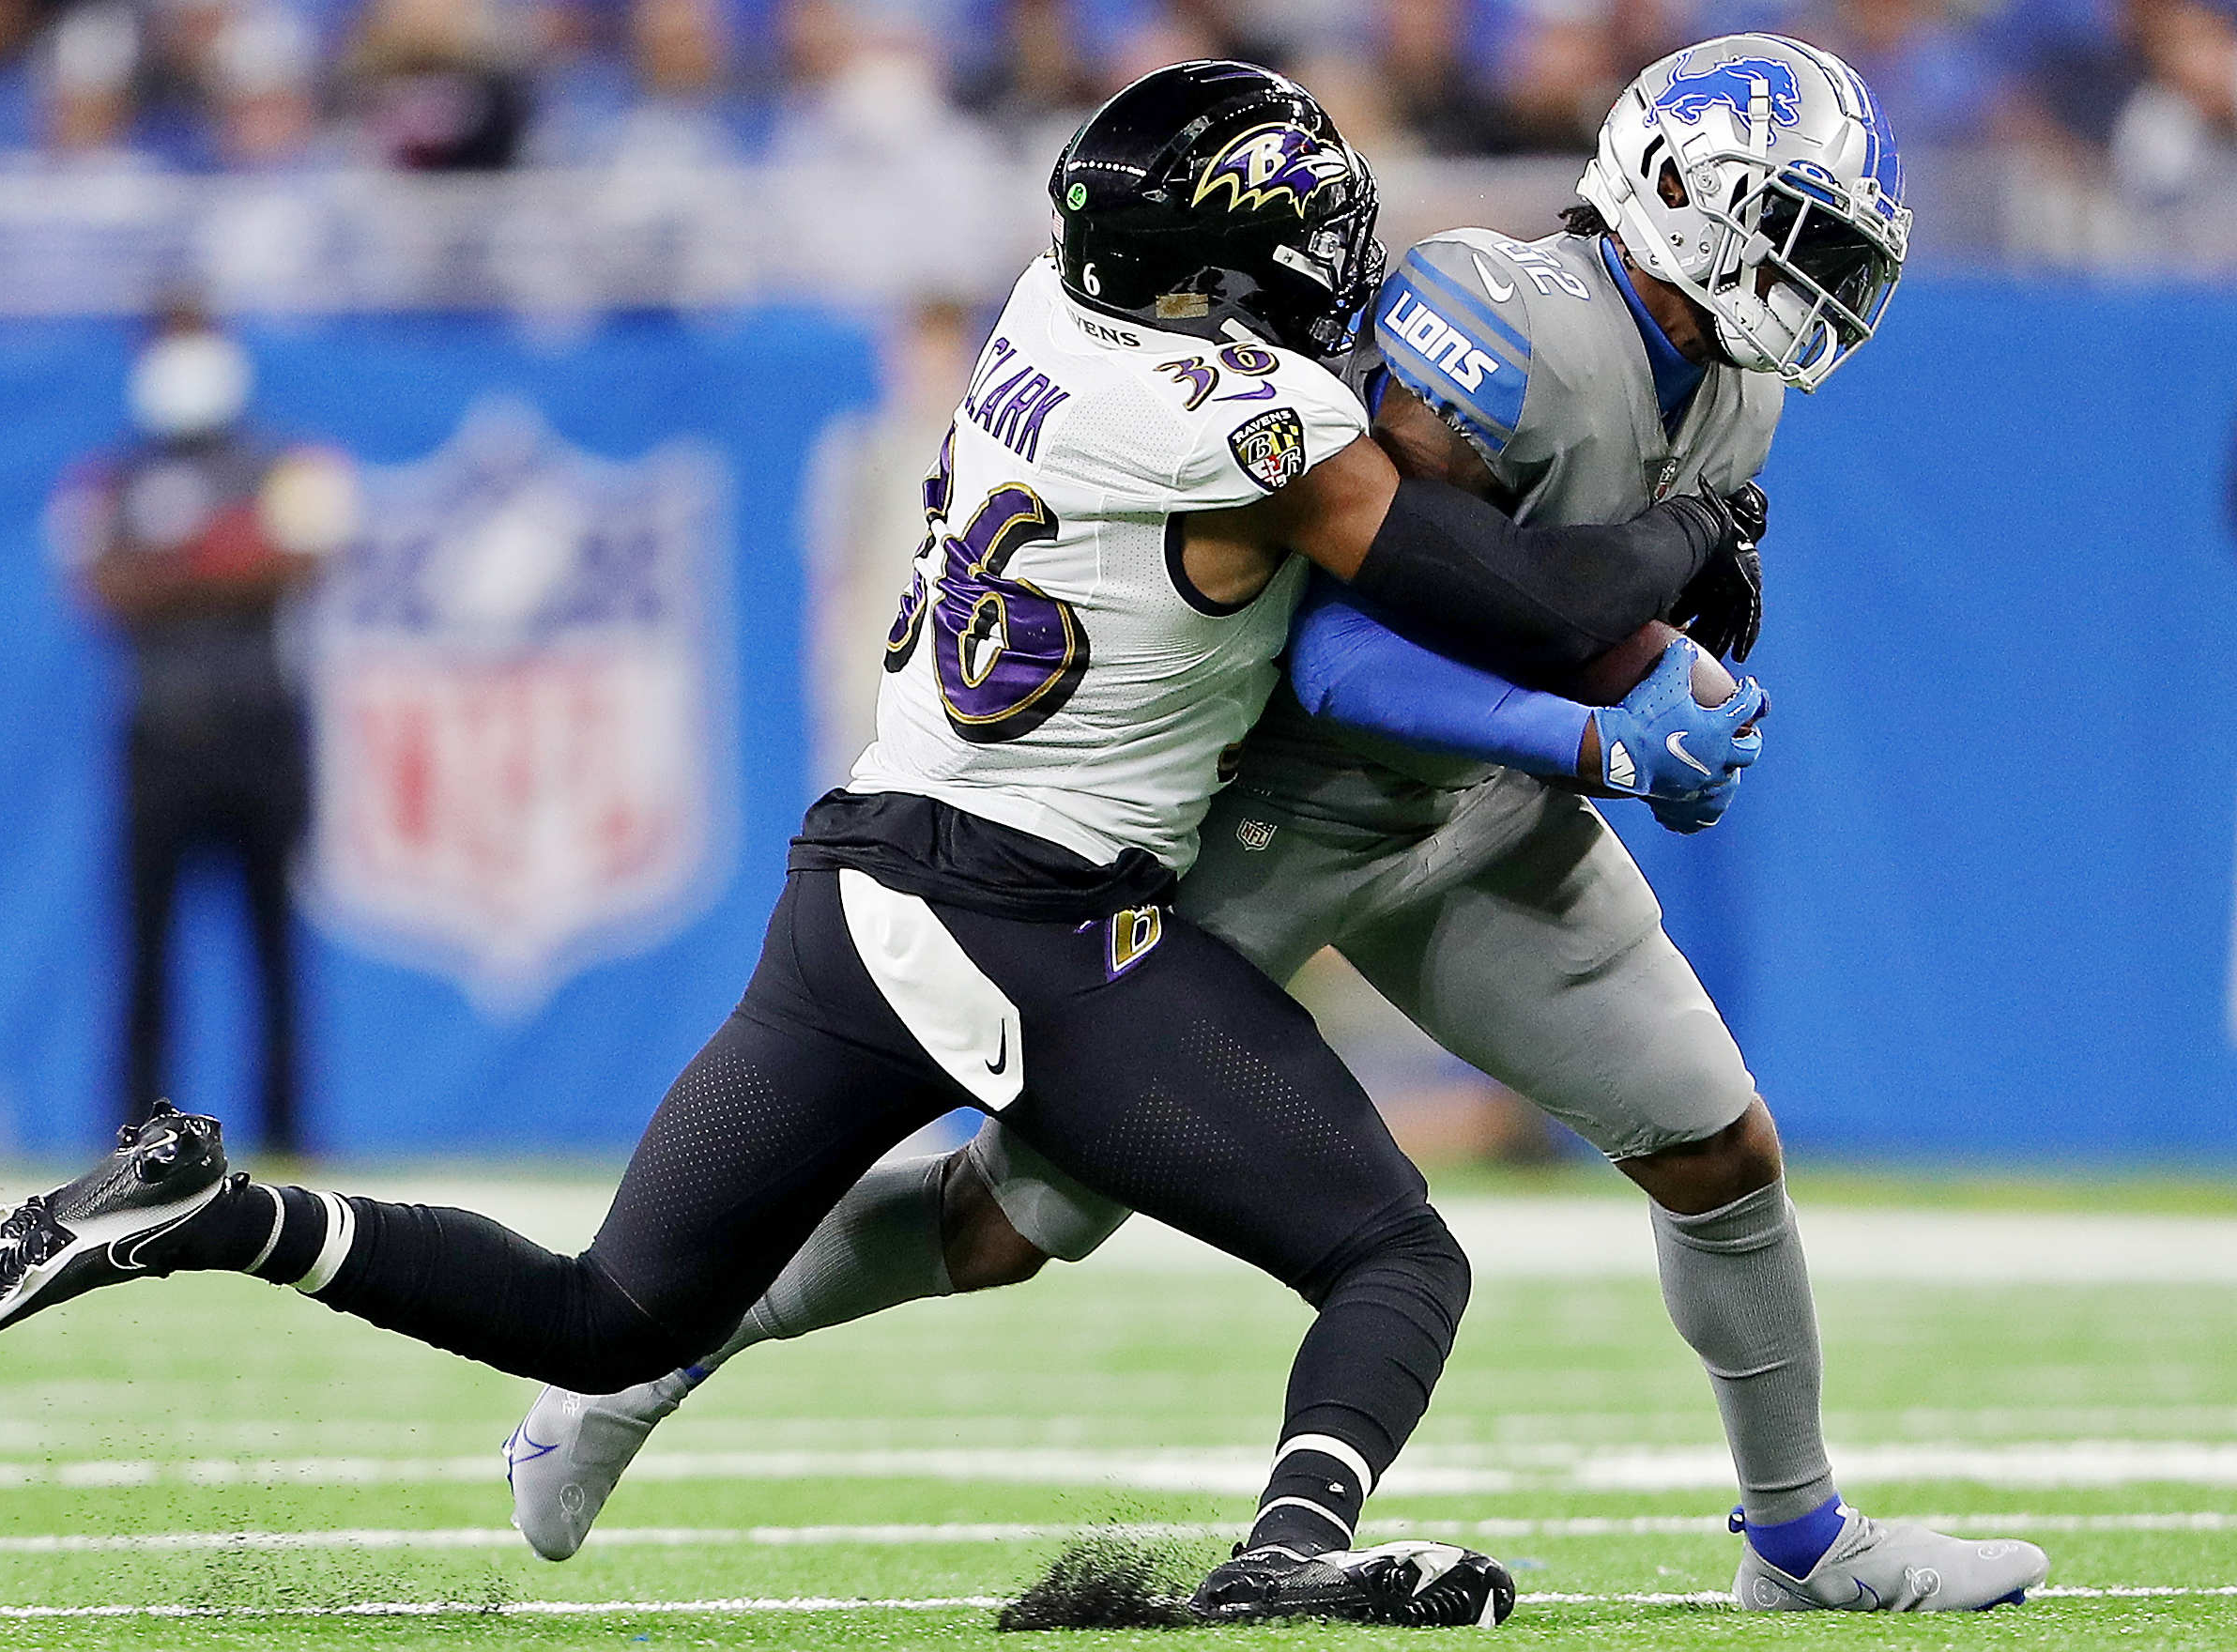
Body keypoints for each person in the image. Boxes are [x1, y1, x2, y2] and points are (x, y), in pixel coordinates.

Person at [0, 61, 1753, 1626]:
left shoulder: (1049, 308)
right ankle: (1291, 1549)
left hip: (858, 879)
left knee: (608, 1314)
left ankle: (221, 1214)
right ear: (1218, 285)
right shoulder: (1241, 423)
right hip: (1039, 921)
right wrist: (1688, 529)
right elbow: (1504, 592)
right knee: (1395, 1257)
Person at [502, 37, 2053, 1616]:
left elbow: (1601, 602)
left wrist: (1679, 678)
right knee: (1009, 1221)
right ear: (1675, 192)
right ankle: (657, 1356)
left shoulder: (1733, 383)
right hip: (1279, 810)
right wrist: (1594, 730)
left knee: (1717, 1147)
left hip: (1478, 812)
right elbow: (1344, 640)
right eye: (1794, 229)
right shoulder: (1496, 320)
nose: (1818, 279)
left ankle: (1797, 1542)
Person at [53, 301, 353, 1155]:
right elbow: (105, 588)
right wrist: (225, 555)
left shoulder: (287, 460)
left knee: (275, 953)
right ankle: (137, 1146)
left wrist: (177, 563)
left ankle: (293, 1141)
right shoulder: (109, 476)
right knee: (146, 954)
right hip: (161, 736)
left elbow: (303, 559)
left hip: (262, 729)